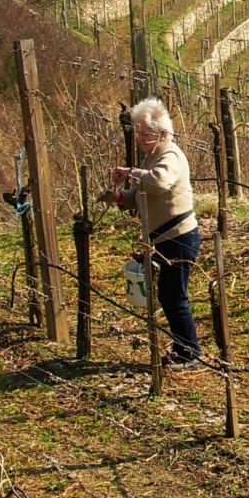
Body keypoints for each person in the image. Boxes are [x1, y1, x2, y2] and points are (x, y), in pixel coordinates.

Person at [98, 98, 201, 370]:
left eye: (146, 134)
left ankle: (190, 354)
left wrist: (131, 172)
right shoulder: (153, 155)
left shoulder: (170, 155)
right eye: (138, 133)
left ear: (163, 134)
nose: (140, 139)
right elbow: (144, 195)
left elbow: (158, 183)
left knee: (175, 296)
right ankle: (182, 348)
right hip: (162, 237)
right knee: (168, 296)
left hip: (178, 236)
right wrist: (120, 196)